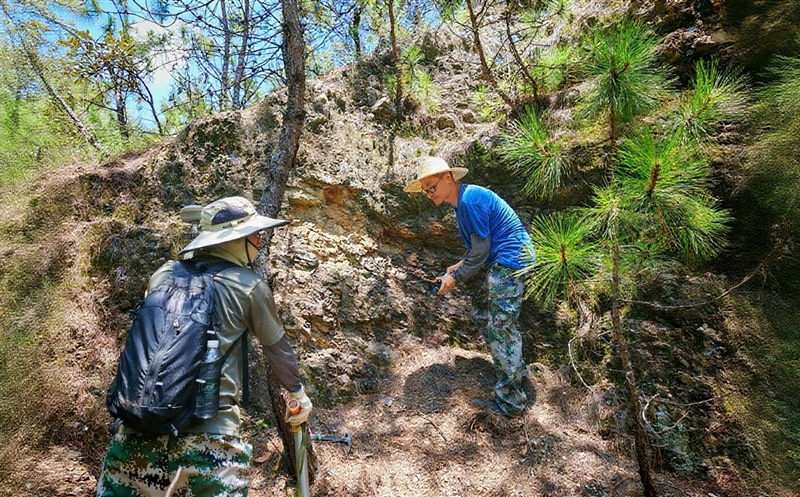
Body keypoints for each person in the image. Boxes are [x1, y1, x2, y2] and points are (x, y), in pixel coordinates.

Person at [96, 196, 312, 496]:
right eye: (255, 234)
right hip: (209, 446)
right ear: (236, 239)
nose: (260, 242)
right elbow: (278, 350)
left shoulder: (163, 275)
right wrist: (298, 394)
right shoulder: (248, 286)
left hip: (134, 436)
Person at [404, 157, 534, 417]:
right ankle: (511, 369)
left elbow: (482, 250)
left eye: (432, 187)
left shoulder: (470, 200)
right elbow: (478, 248)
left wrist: (457, 276)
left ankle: (511, 403)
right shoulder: (462, 204)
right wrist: (457, 266)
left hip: (510, 260)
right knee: (483, 315)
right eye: (426, 191)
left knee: (500, 328)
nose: (429, 194)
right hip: (504, 260)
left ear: (448, 178)